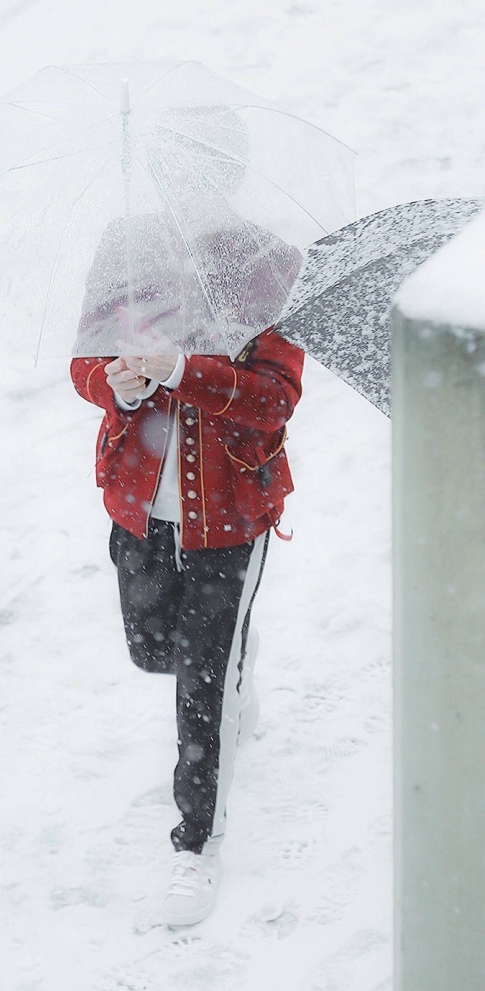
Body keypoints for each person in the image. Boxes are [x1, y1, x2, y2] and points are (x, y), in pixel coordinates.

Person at [70, 325, 304, 927]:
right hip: (138, 509)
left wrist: (180, 371)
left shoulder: (262, 275)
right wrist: (115, 386)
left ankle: (198, 848)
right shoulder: (130, 267)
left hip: (229, 523)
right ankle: (233, 671)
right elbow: (84, 366)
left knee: (202, 693)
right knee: (151, 651)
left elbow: (274, 400)